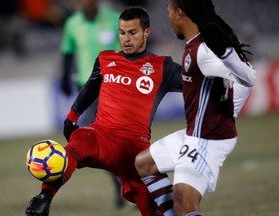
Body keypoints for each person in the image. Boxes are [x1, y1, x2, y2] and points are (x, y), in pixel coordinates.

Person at [25, 6, 183, 216]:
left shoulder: (163, 66)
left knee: (154, 208)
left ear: (146, 32)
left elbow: (196, 83)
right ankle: (44, 199)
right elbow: (91, 87)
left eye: (132, 32)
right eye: (122, 32)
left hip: (135, 150)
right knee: (77, 142)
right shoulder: (106, 59)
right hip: (101, 136)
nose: (126, 39)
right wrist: (71, 117)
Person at [135, 0, 257, 215]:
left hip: (208, 139)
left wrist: (231, 111)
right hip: (194, 134)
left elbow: (247, 77)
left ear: (179, 13)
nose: (169, 18)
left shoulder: (203, 51)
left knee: (184, 203)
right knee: (144, 163)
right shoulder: (195, 45)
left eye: (169, 12)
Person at [59, 0, 124, 207]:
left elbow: (131, 47)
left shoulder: (114, 19)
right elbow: (67, 52)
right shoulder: (72, 23)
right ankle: (120, 186)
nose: (84, 4)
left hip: (116, 87)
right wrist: (64, 77)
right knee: (96, 142)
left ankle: (129, 185)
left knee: (122, 139)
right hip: (87, 91)